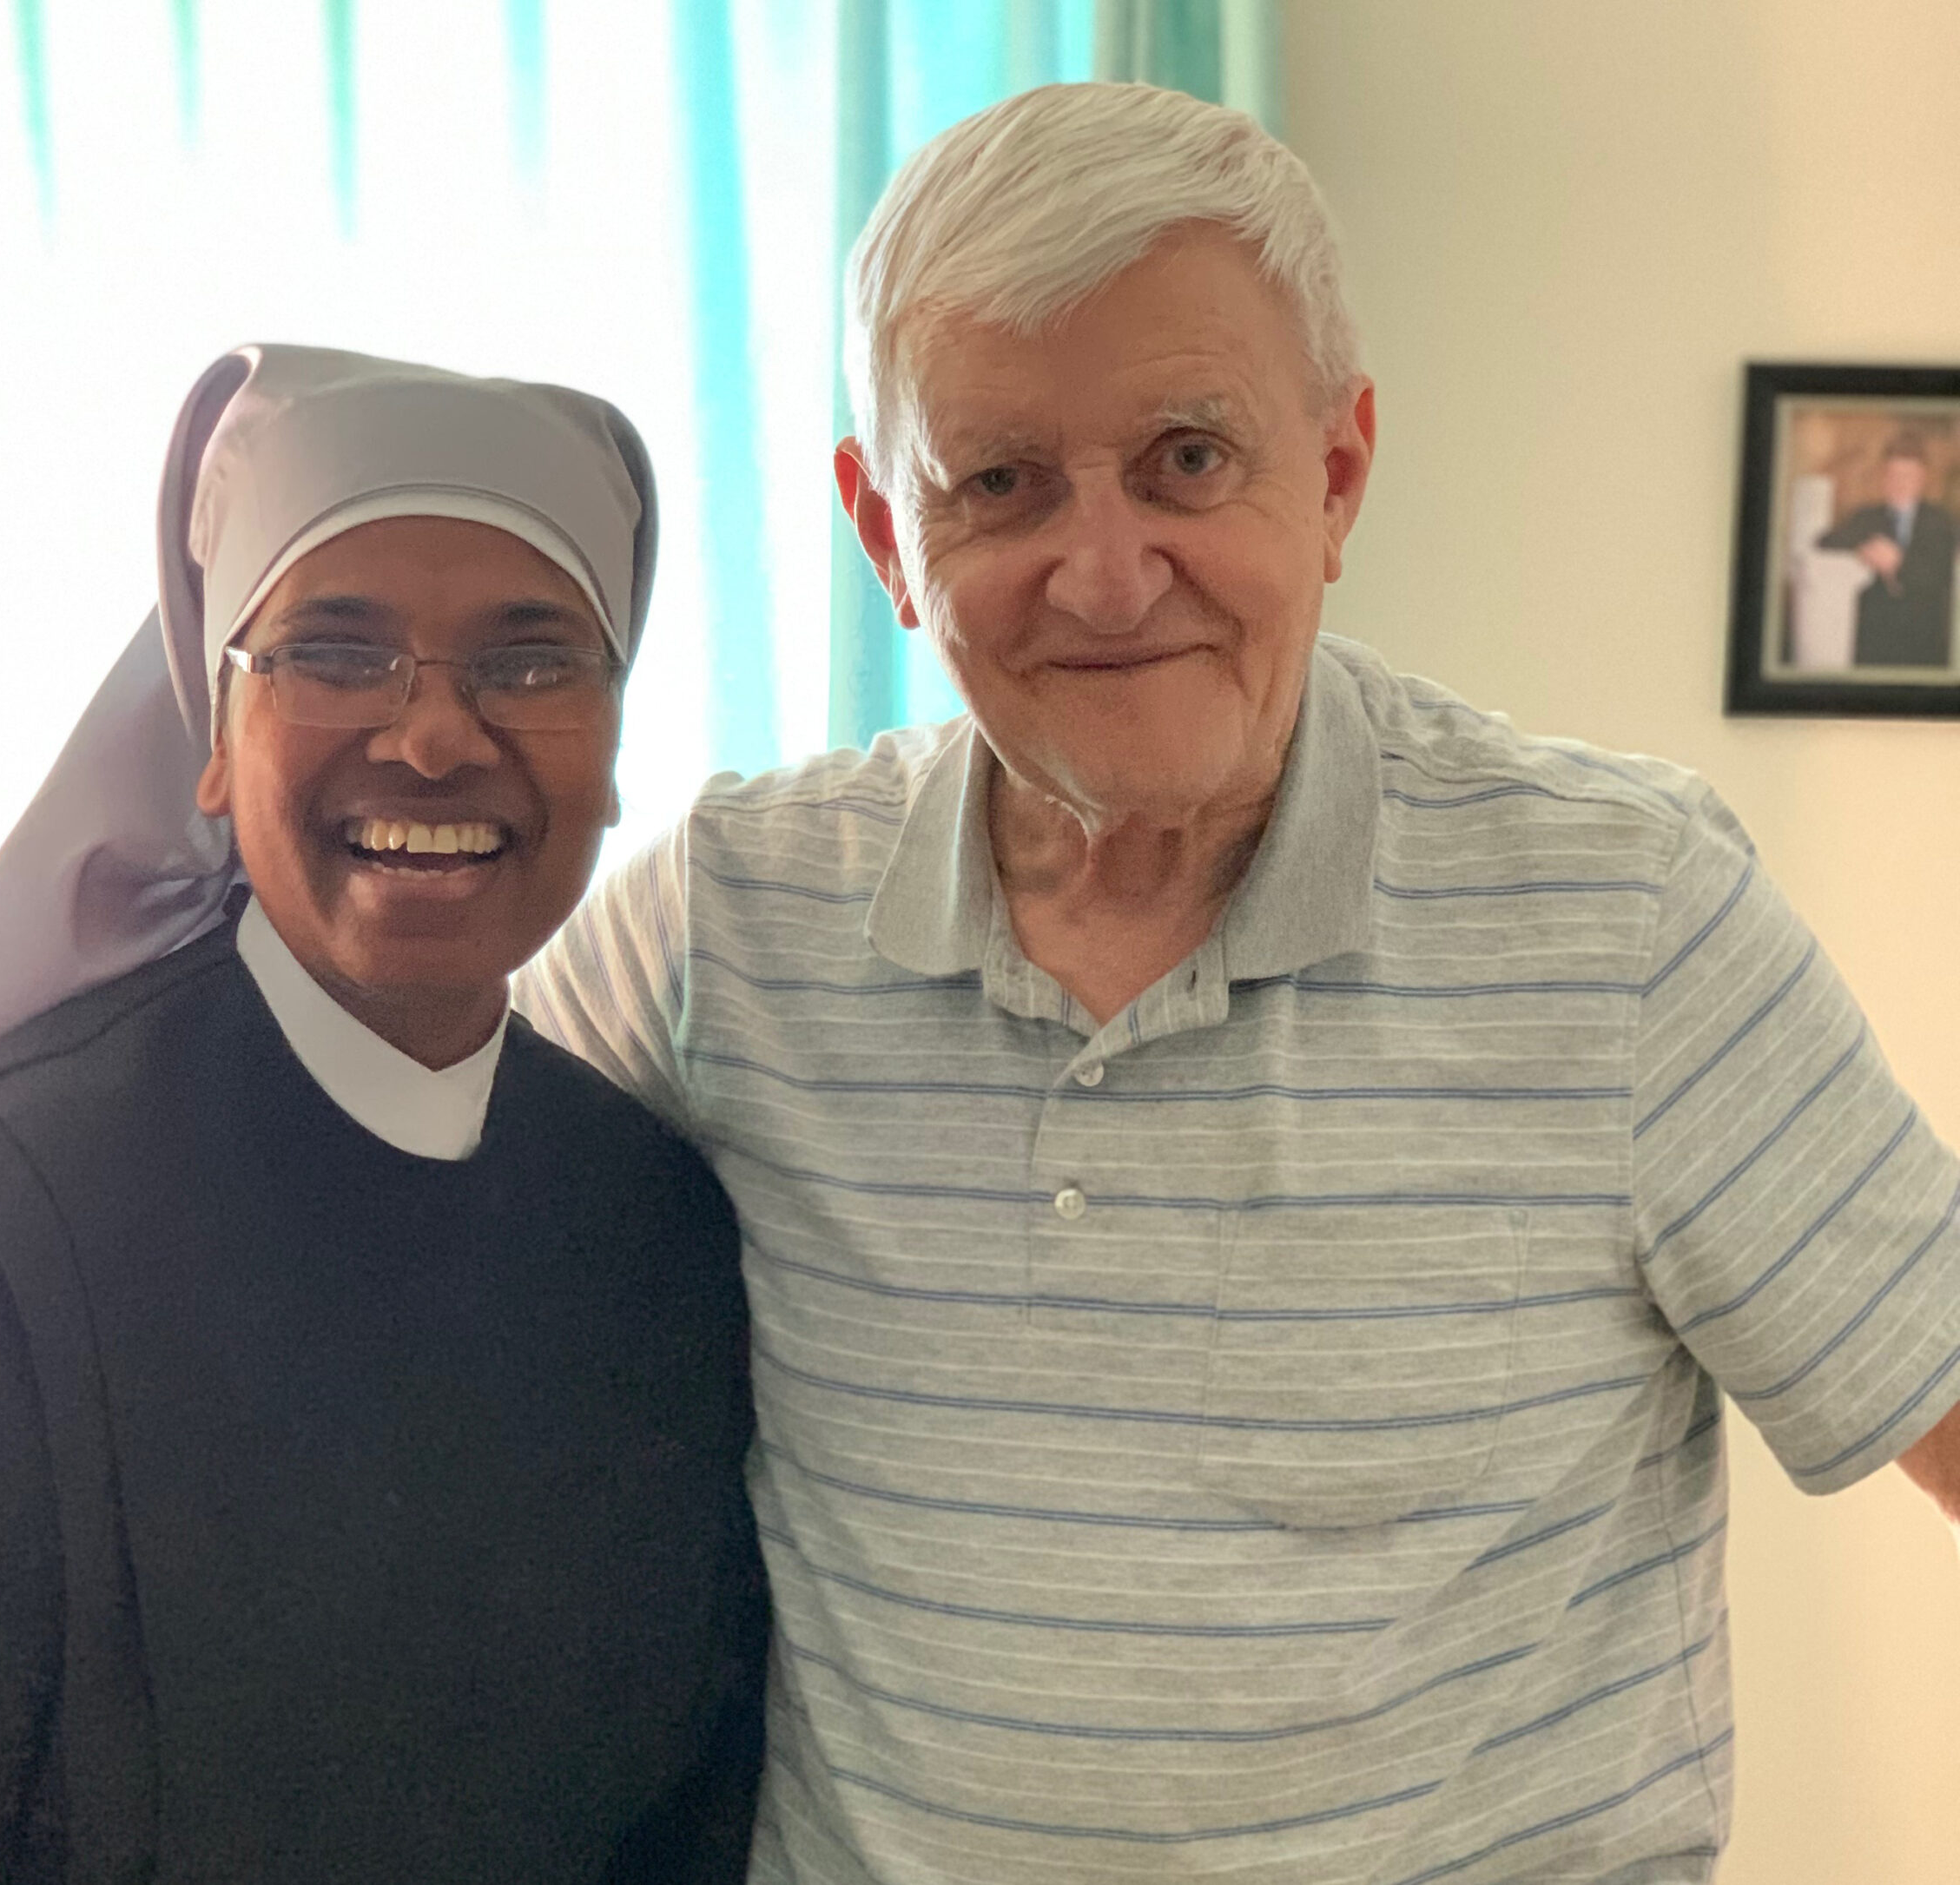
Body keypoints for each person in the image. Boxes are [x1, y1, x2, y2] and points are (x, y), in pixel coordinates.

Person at [515, 84, 1960, 1882]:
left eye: (1188, 458)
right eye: (999, 482)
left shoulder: (1628, 915)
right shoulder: (725, 919)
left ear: (1336, 474)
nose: (1108, 574)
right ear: (886, 538)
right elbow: (393, 1218)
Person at [0, 346, 765, 1882]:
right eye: (337, 651)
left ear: (616, 740)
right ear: (212, 735)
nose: (435, 736)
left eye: (532, 661)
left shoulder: (659, 1225)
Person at [1815, 432, 1957, 667]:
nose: (1899, 483)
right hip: (1873, 642)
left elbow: (1942, 576)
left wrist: (1898, 562)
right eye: (1892, 475)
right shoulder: (1866, 517)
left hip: (1925, 643)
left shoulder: (1942, 522)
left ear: (1922, 479)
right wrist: (1862, 548)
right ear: (1882, 477)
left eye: (1908, 476)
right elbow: (1824, 542)